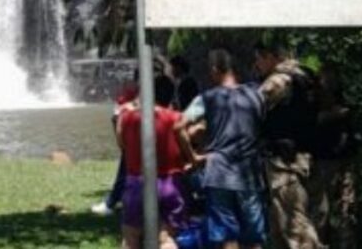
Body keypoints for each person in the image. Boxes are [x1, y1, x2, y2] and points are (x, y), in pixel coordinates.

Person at [177, 48, 267, 249]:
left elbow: (178, 124)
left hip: (218, 173)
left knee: (227, 236)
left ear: (215, 70)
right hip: (249, 173)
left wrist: (193, 157)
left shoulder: (207, 97)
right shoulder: (256, 94)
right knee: (255, 238)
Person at [255, 42, 322, 249]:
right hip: (306, 157)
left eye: (258, 59)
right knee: (280, 228)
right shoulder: (307, 76)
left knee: (296, 229)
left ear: (270, 57)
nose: (255, 65)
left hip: (284, 164)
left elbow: (252, 107)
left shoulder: (278, 80)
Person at [117, 74, 188, 249]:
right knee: (166, 238)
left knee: (131, 237)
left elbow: (122, 144)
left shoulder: (128, 117)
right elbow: (184, 147)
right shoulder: (176, 118)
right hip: (169, 184)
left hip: (137, 183)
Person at [308, 64, 357, 249]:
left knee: (346, 210)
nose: (328, 81)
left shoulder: (342, 96)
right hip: (323, 160)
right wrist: (331, 115)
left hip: (344, 159)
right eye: (325, 77)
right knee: (321, 211)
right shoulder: (313, 97)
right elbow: (311, 123)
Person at [91, 69, 140, 216]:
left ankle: (111, 203)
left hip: (133, 138)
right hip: (135, 137)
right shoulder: (135, 95)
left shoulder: (132, 98)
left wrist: (121, 142)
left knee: (125, 171)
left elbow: (117, 121)